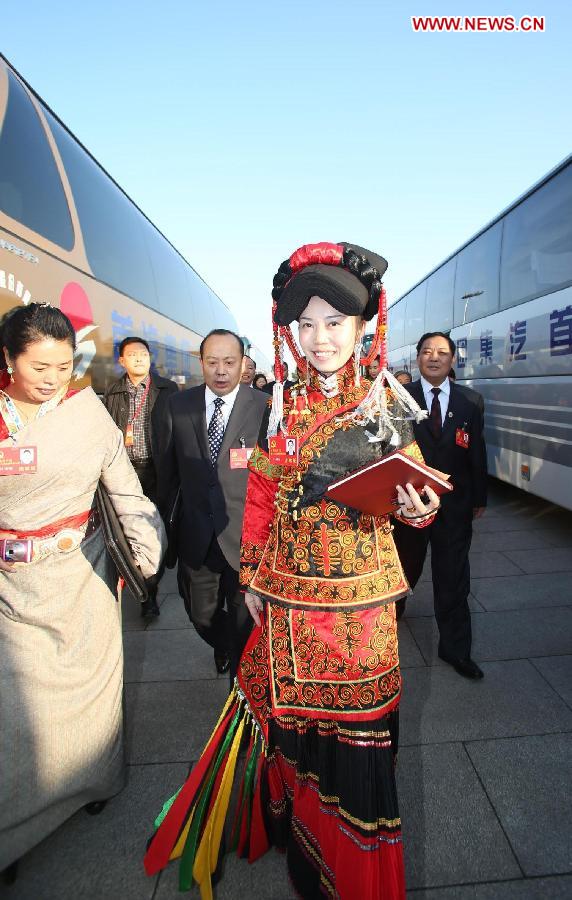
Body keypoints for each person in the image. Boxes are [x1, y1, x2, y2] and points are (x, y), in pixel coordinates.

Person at [145, 243, 441, 899]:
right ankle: (309, 858)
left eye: (334, 322)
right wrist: (251, 576)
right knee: (296, 740)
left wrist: (418, 511)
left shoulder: (385, 405)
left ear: (362, 327)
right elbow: (258, 500)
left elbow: (413, 504)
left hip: (360, 616)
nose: (320, 338)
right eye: (305, 324)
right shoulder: (279, 403)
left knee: (359, 747)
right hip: (284, 604)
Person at [0, 303, 165, 883]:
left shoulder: (86, 409)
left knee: (92, 694)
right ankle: (13, 826)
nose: (51, 379)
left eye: (64, 365)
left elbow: (124, 489)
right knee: (15, 713)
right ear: (8, 359)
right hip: (9, 590)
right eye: (38, 366)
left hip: (82, 575)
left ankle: (96, 781)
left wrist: (147, 547)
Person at [158, 328, 267, 678]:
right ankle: (226, 645)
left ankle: (239, 690)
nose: (221, 371)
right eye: (213, 362)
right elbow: (167, 476)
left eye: (230, 362)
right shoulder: (178, 405)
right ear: (201, 362)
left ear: (242, 364)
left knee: (242, 620)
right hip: (197, 538)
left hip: (246, 540)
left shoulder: (264, 407)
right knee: (201, 615)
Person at [393, 331, 487, 679]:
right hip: (409, 505)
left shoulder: (470, 401)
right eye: (427, 352)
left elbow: (477, 451)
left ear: (452, 360)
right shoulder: (400, 398)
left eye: (442, 352)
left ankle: (456, 649)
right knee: (404, 570)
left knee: (453, 579)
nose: (434, 357)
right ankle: (391, 615)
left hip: (454, 506)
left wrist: (479, 497)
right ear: (417, 358)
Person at [103, 336, 178, 617]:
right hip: (126, 473)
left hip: (158, 471)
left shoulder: (166, 390)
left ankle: (150, 591)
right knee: (132, 533)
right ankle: (145, 591)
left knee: (154, 529)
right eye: (132, 355)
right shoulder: (112, 393)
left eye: (143, 354)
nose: (138, 359)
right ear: (121, 361)